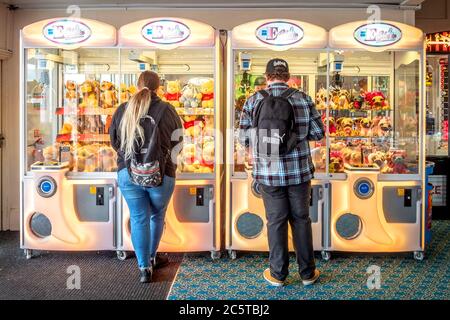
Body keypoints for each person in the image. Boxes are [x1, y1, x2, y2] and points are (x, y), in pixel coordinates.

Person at [239, 58, 325, 287]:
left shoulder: (254, 100)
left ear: (267, 76)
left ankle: (278, 274)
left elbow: (244, 138)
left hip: (268, 173)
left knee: (275, 221)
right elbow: (318, 134)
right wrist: (295, 135)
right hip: (299, 173)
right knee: (301, 219)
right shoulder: (303, 98)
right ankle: (307, 273)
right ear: (287, 76)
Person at [110, 71, 182, 283]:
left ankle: (144, 268)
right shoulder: (168, 110)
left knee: (138, 217)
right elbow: (178, 142)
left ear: (137, 86)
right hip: (161, 174)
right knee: (156, 215)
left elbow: (115, 142)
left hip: (128, 174)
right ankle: (151, 258)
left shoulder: (123, 109)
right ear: (159, 88)